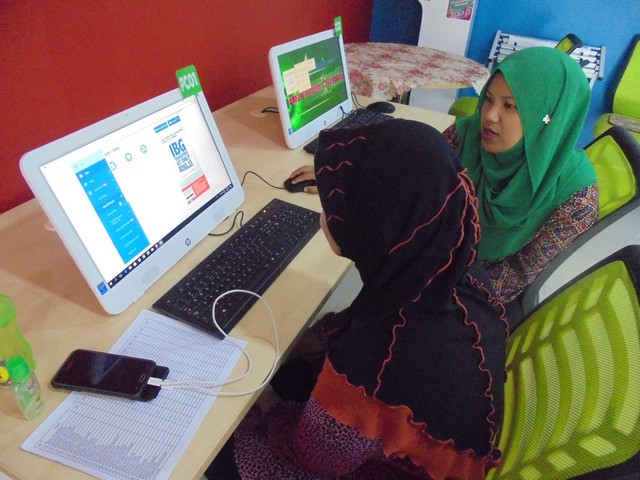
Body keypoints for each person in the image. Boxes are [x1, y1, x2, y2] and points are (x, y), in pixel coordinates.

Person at [223, 119, 508, 479]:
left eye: (333, 205)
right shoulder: (450, 264)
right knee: (294, 372)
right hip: (423, 439)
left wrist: (261, 403)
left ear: (372, 224)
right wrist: (303, 343)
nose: (326, 214)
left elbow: (308, 459)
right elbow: (359, 317)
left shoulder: (374, 364)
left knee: (221, 437)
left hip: (362, 465)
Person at [287, 47, 599, 321]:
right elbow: (410, 172)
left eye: (510, 106)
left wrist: (414, 288)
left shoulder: (576, 199)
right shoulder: (468, 136)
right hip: (432, 261)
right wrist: (341, 173)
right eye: (489, 99)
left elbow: (514, 277)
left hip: (474, 304)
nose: (489, 116)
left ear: (548, 118)